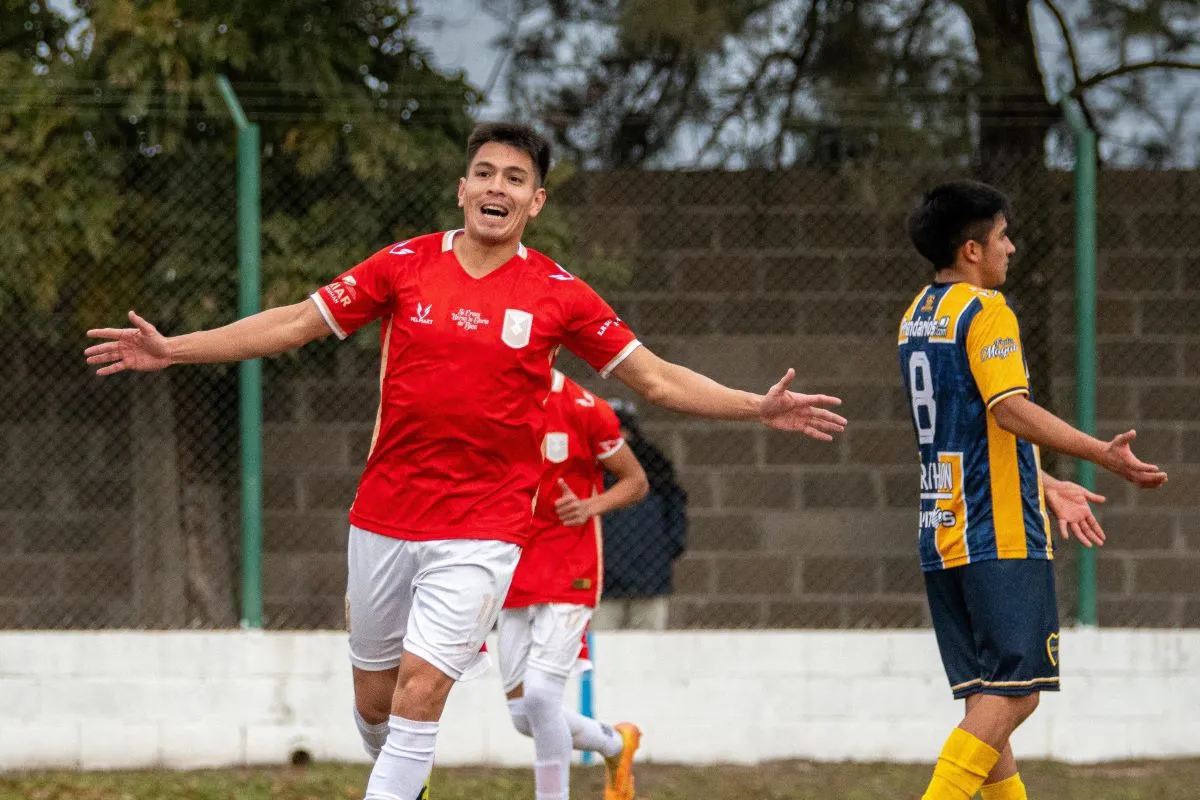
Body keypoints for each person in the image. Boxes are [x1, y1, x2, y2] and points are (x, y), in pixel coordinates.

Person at [85, 121, 847, 800]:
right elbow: (294, 322)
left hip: (483, 531)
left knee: (423, 692)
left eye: (515, 178)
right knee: (376, 703)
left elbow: (653, 376)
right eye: (485, 172)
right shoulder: (403, 266)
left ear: (535, 203)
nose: (497, 187)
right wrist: (173, 349)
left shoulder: (558, 294)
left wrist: (754, 404)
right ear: (462, 189)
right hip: (384, 516)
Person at [898, 179, 1168, 800]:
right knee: (1015, 693)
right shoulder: (986, 310)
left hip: (943, 526)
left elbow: (959, 426)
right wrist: (1103, 454)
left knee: (983, 700)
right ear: (972, 250)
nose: (1011, 248)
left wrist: (1042, 480)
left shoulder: (917, 316)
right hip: (998, 529)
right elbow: (1008, 410)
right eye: (1002, 236)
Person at [499, 368, 648, 800]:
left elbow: (636, 481)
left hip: (570, 566)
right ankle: (616, 743)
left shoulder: (587, 410)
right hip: (511, 568)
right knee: (522, 716)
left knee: (542, 697)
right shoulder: (493, 399)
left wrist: (589, 506)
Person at [592, 398, 686, 631]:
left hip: (649, 581)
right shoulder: (590, 469)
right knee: (601, 650)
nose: (621, 439)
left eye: (625, 430)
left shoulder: (656, 468)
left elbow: (677, 517)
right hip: (603, 584)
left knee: (648, 651)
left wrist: (666, 550)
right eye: (613, 432)